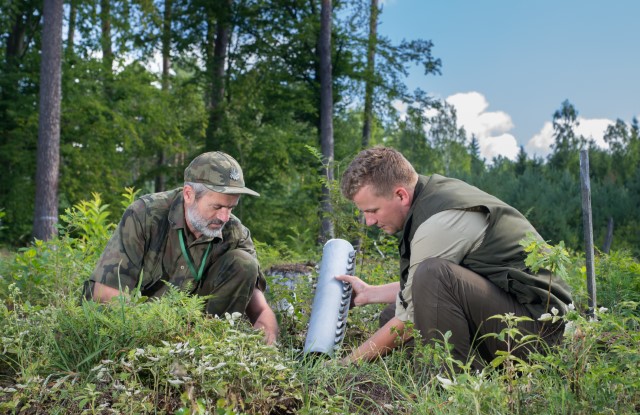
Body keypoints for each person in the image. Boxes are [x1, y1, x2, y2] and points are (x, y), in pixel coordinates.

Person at [336, 146, 573, 369]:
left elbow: (411, 315)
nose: (369, 221)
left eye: (372, 211)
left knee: (430, 279)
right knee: (391, 315)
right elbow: (418, 291)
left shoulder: (438, 222)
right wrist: (370, 294)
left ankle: (452, 386)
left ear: (400, 195)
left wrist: (343, 366)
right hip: (513, 316)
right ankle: (480, 370)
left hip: (543, 336)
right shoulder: (430, 196)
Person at [84, 151, 278, 345]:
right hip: (139, 330)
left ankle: (209, 350)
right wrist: (158, 332)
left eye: (231, 208)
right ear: (188, 194)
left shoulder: (234, 233)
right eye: (217, 207)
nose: (224, 217)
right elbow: (106, 293)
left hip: (198, 337)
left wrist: (267, 335)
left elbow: (261, 310)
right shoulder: (145, 215)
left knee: (245, 262)